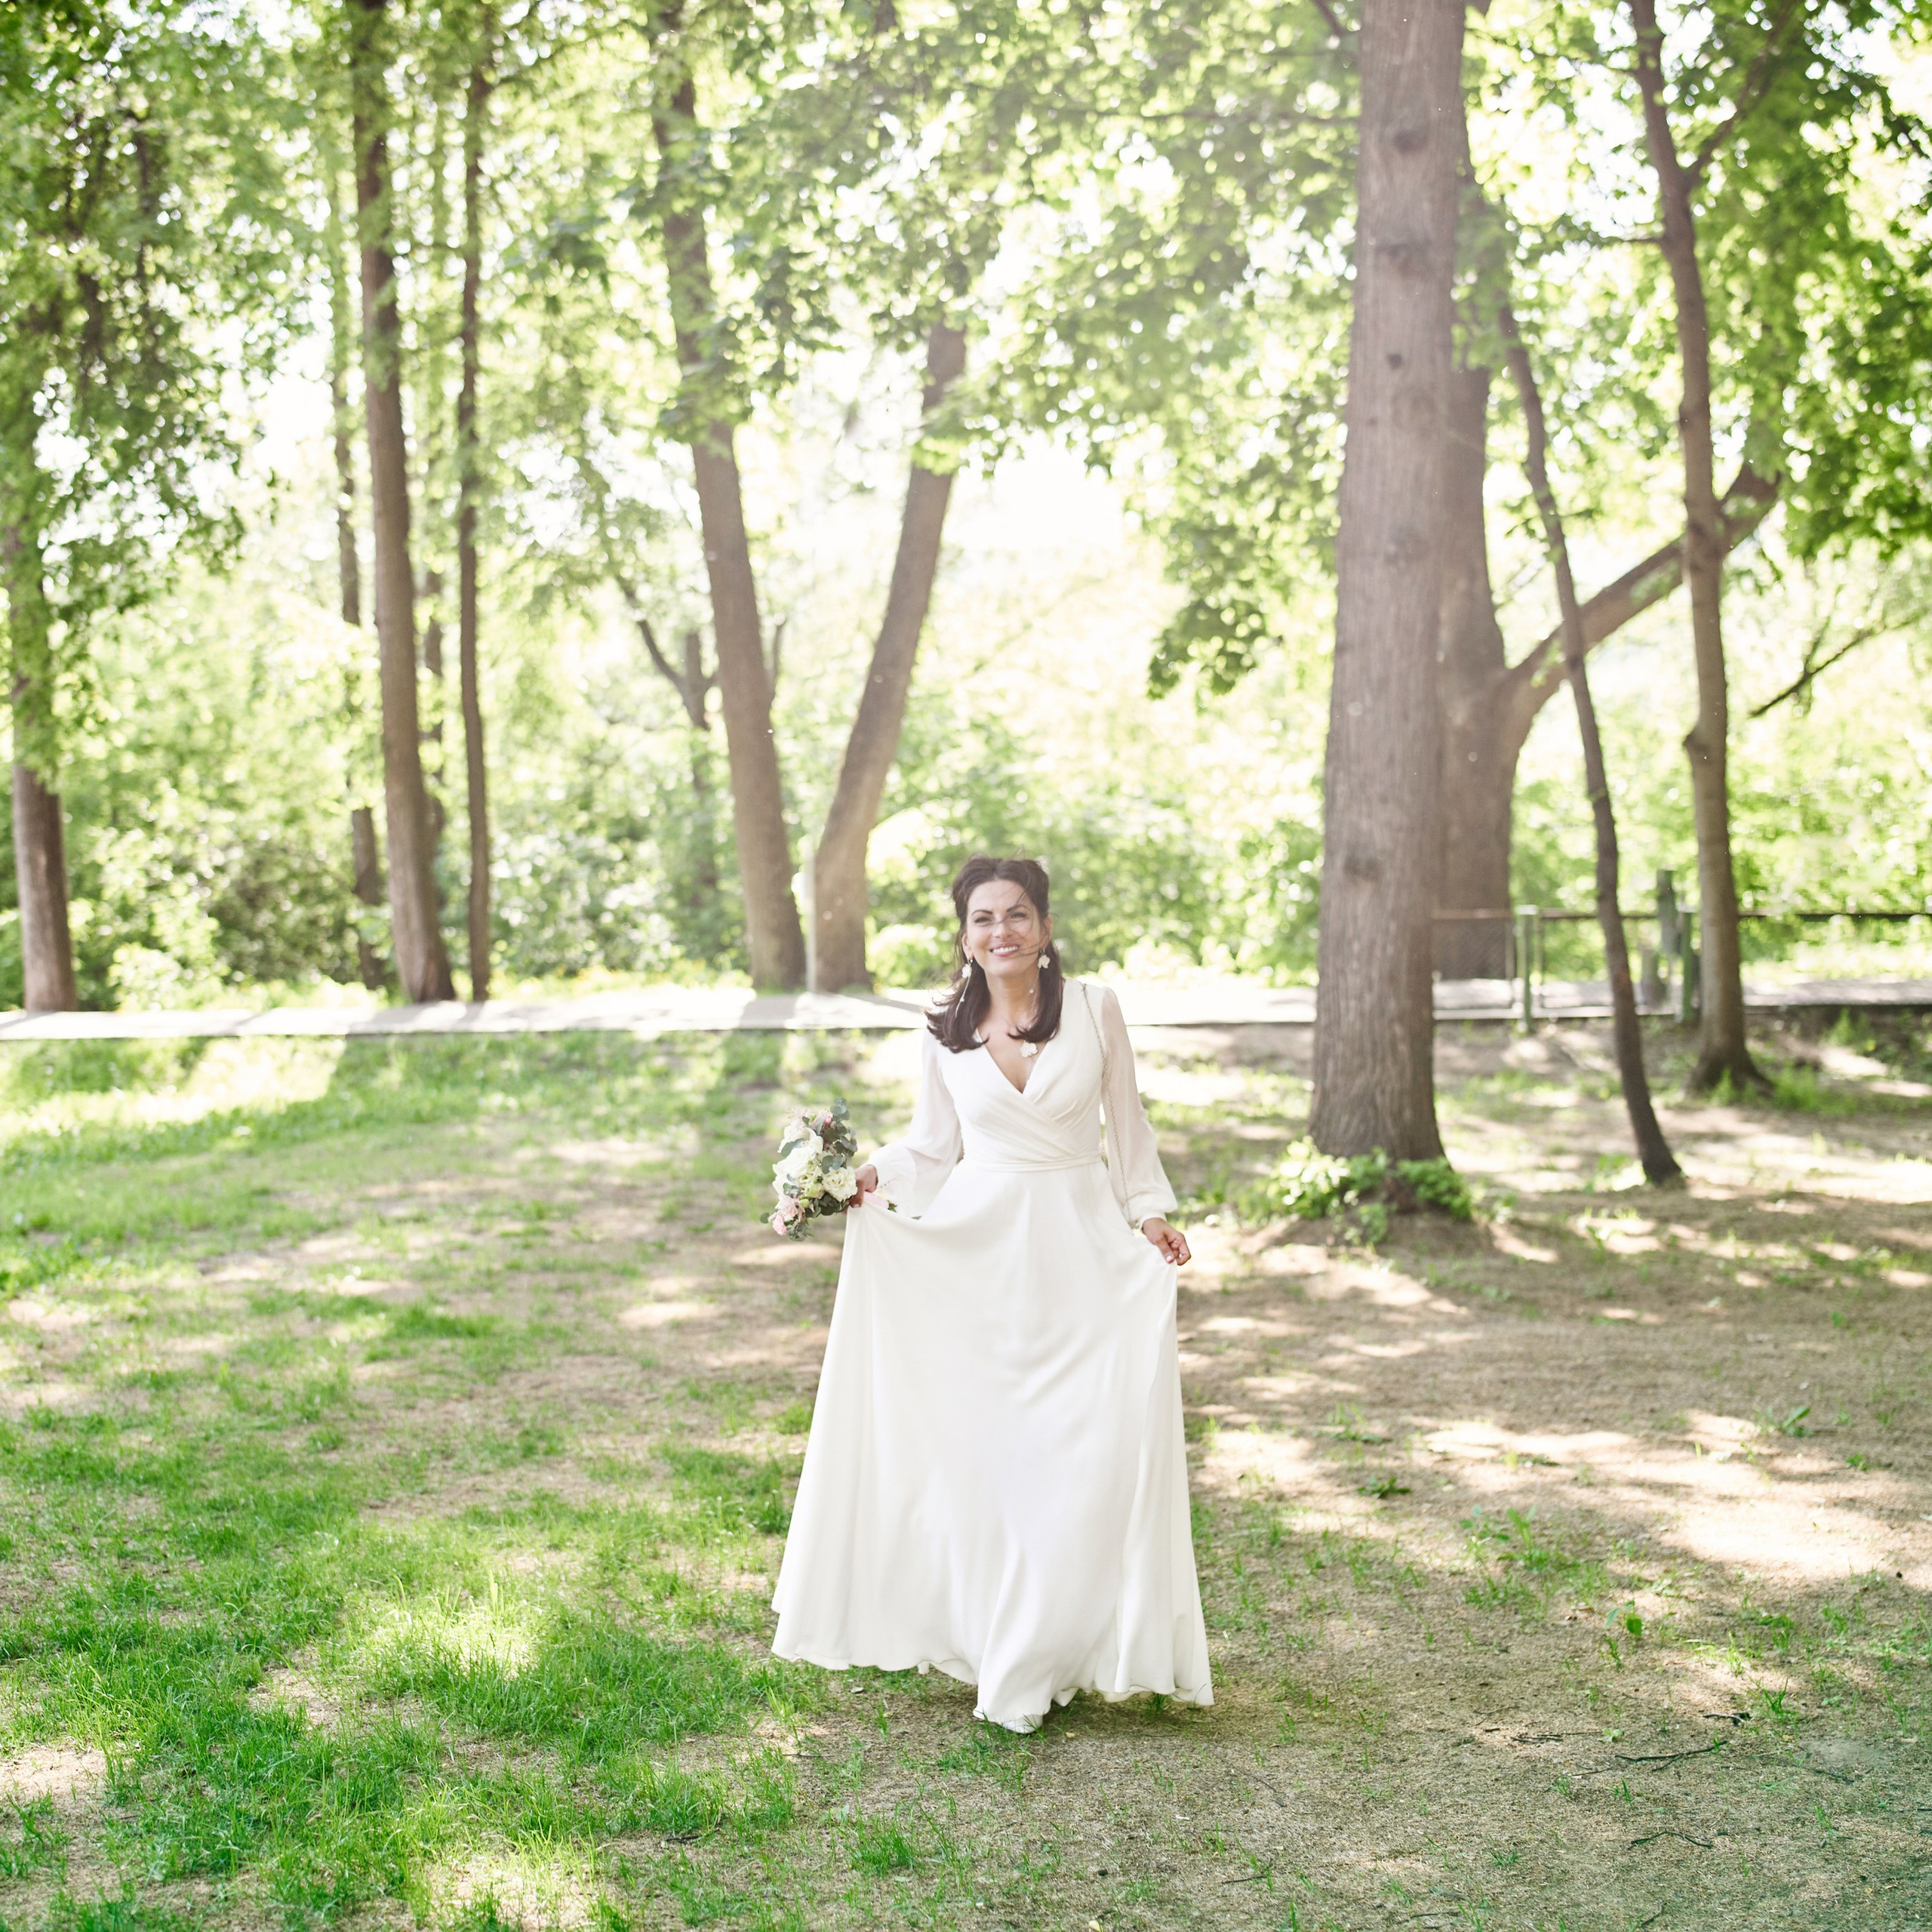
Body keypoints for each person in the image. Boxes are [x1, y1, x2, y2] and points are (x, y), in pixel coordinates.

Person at [771, 854, 1213, 1732]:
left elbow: (1126, 1124)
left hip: (1080, 1247)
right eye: (982, 918)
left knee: (1079, 1452)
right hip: (980, 1254)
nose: (1000, 931)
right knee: (997, 1453)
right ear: (963, 935)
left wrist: (1148, 1211)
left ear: (1044, 928)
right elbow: (932, 1147)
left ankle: (1047, 1647)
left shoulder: (1094, 1008)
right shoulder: (942, 1028)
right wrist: (847, 1179)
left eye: (1016, 914)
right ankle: (1005, 1645)